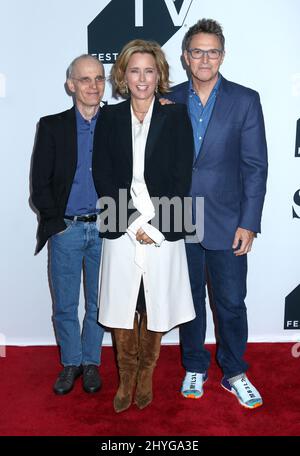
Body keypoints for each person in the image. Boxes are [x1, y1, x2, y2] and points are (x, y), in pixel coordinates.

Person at [166, 19, 268, 409]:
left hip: (229, 220)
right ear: (186, 56)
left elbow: (255, 166)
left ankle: (235, 371)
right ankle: (194, 365)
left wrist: (250, 222)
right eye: (197, 51)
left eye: (212, 51)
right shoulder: (168, 99)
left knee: (230, 301)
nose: (204, 58)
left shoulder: (245, 99)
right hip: (179, 216)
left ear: (222, 56)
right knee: (187, 300)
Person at [92, 39, 196, 413]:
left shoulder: (176, 115)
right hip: (120, 225)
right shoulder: (110, 118)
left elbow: (181, 176)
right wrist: (133, 220)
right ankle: (126, 378)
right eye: (134, 70)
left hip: (165, 224)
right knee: (123, 304)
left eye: (148, 70)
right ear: (122, 74)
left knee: (155, 303)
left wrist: (153, 225)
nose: (141, 78)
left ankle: (147, 375)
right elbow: (103, 174)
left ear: (159, 75)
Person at [31, 54, 106, 395]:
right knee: (64, 304)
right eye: (86, 79)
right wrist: (57, 223)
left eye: (99, 78)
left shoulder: (117, 124)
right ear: (71, 85)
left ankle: (91, 362)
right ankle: (71, 363)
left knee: (98, 303)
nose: (94, 86)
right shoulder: (52, 125)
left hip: (107, 229)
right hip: (67, 230)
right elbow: (39, 184)